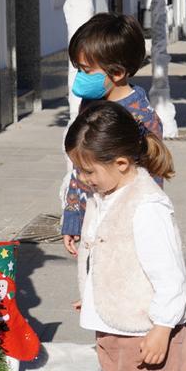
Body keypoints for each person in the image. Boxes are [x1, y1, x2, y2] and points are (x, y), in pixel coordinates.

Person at [65, 101, 186, 371]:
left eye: (88, 170)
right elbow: (109, 256)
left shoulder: (147, 206)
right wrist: (92, 294)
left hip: (140, 329)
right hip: (113, 322)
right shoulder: (107, 194)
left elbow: (171, 277)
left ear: (121, 163)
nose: (83, 178)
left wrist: (161, 329)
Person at [62, 13, 162, 257]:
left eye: (86, 70)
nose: (79, 78)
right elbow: (80, 167)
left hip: (124, 227)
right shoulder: (89, 103)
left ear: (117, 73)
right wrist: (73, 217)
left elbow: (152, 178)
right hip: (91, 220)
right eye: (78, 69)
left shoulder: (142, 118)